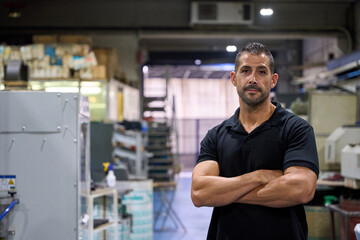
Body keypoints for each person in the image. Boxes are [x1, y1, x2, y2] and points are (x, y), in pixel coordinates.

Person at [191, 42, 319, 240]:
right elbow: (199, 193)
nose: (253, 79)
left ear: (273, 80)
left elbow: (302, 189)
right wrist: (258, 177)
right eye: (245, 71)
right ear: (234, 78)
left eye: (261, 71)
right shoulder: (216, 135)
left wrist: (227, 194)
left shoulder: (296, 129)